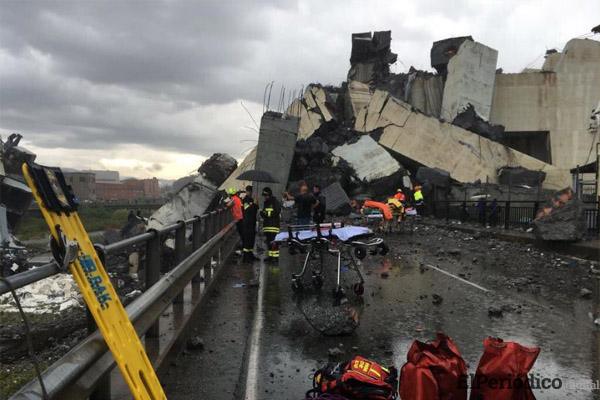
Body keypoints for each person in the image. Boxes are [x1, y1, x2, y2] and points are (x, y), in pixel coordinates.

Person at [260, 187, 281, 262]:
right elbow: (265, 213)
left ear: (269, 195)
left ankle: (275, 257)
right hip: (267, 225)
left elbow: (277, 211)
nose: (265, 197)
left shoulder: (275, 201)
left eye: (266, 195)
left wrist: (267, 213)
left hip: (273, 225)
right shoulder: (266, 202)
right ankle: (270, 256)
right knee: (269, 242)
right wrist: (262, 213)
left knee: (274, 242)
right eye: (264, 196)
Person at [242, 185, 258, 262]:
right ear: (247, 191)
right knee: (247, 240)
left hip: (252, 222)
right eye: (248, 191)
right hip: (247, 223)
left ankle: (250, 255)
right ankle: (246, 257)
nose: (250, 193)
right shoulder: (245, 199)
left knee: (252, 239)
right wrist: (253, 204)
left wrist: (256, 203)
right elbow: (246, 209)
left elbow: (255, 209)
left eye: (250, 191)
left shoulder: (252, 199)